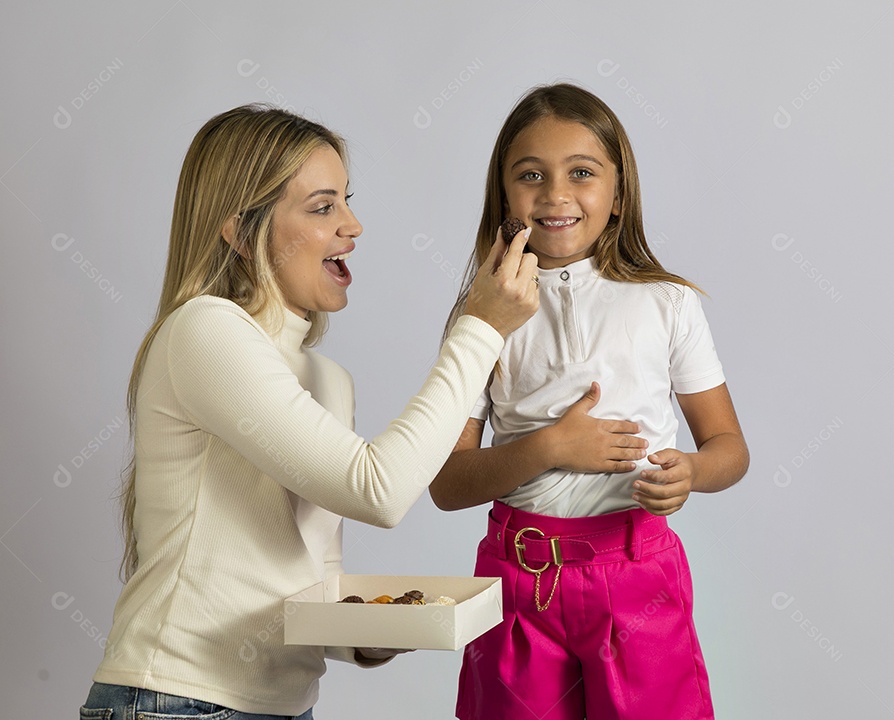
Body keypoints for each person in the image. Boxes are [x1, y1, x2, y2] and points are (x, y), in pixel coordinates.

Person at [80, 104, 539, 720]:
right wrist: (481, 328)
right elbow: (379, 490)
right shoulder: (205, 332)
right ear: (241, 231)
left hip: (284, 705)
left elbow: (313, 574)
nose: (353, 224)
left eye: (346, 201)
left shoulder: (328, 380)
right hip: (176, 699)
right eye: (323, 207)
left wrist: (364, 636)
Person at [429, 83, 750, 720]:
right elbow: (446, 483)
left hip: (638, 575)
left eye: (581, 172)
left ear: (618, 192)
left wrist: (692, 472)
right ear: (504, 196)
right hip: (517, 582)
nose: (556, 194)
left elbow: (729, 448)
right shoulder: (482, 316)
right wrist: (551, 447)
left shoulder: (668, 303)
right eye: (531, 175)